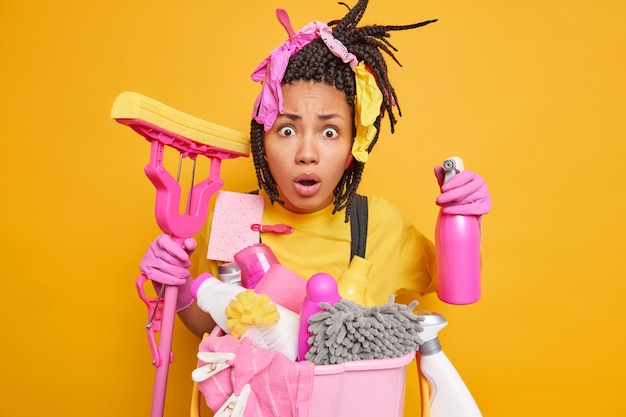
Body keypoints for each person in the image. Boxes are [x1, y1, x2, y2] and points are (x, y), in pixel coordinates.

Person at [139, 0, 491, 339]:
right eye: (287, 130)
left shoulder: (382, 225)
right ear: (263, 140)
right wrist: (179, 289)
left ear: (354, 145)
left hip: (358, 402)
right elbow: (211, 326)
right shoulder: (232, 217)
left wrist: (466, 220)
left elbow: (452, 287)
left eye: (329, 132)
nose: (307, 153)